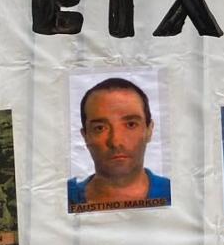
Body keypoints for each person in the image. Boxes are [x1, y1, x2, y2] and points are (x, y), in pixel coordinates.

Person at [68, 78, 171, 210]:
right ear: (85, 136)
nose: (116, 142)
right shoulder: (61, 199)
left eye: (131, 124)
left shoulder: (179, 195)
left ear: (149, 131)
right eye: (100, 128)